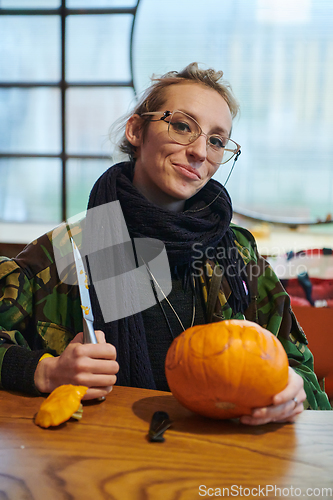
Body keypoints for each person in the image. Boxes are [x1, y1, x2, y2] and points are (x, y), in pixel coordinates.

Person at [0, 63, 331, 425]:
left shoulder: (236, 254)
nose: (200, 151)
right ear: (136, 130)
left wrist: (293, 388)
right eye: (183, 126)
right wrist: (45, 371)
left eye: (217, 141)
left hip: (225, 460)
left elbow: (303, 374)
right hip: (101, 457)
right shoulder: (66, 251)